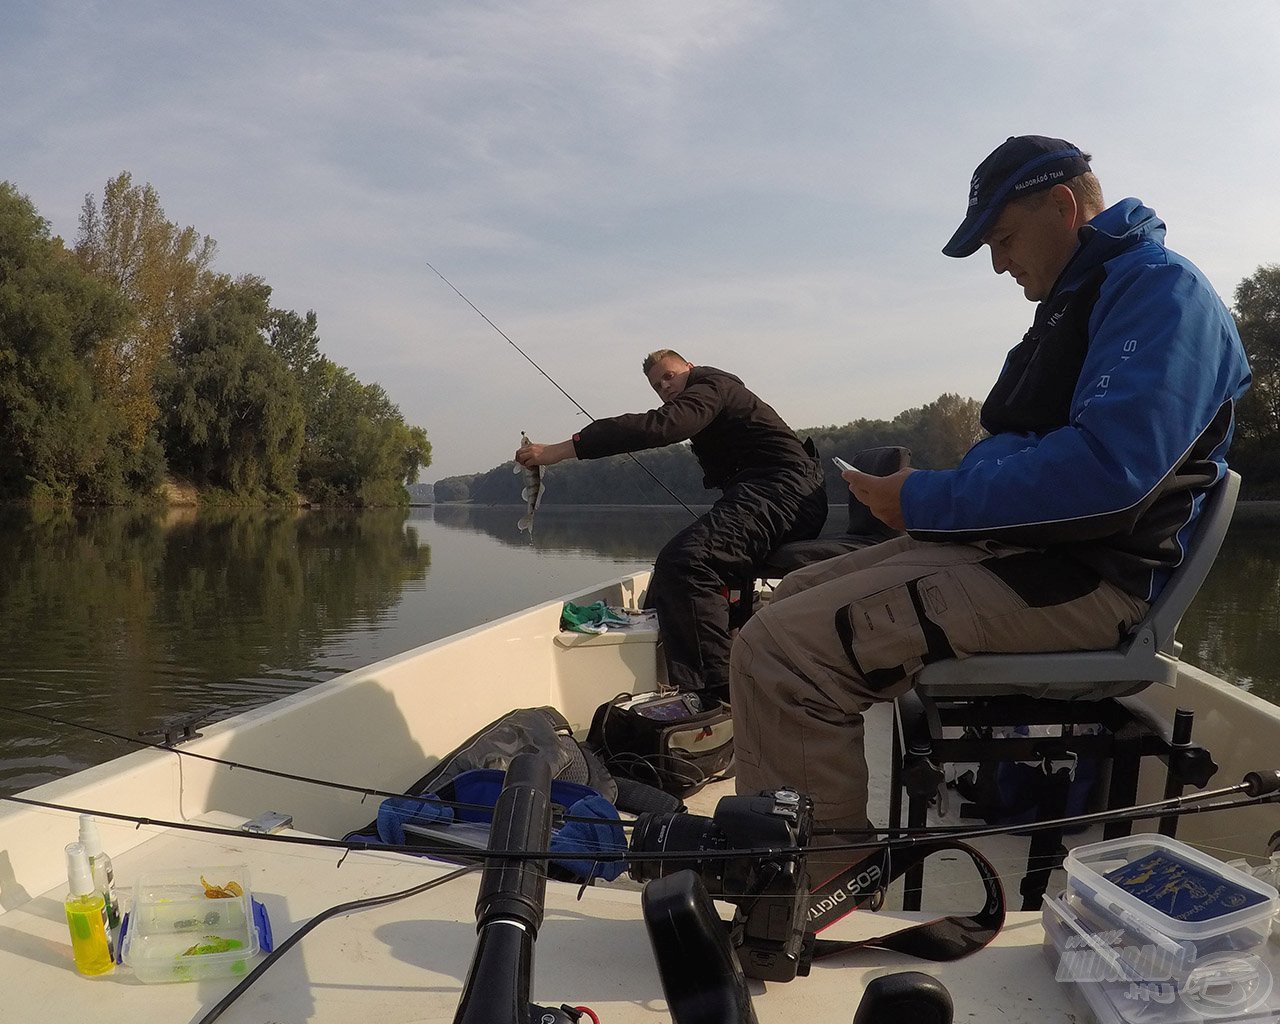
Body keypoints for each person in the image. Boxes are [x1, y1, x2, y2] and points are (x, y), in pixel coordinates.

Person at [729, 135, 1251, 860]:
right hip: (1021, 556)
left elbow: (1110, 480)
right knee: (783, 602)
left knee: (783, 653)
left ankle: (813, 883)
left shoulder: (1162, 293)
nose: (1000, 263)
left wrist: (925, 502)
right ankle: (774, 840)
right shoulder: (1083, 302)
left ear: (1063, 206)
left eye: (1003, 239)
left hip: (1086, 582)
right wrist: (924, 496)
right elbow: (1026, 452)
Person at [517, 349, 827, 704]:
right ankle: (732, 658)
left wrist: (561, 450)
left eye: (669, 376)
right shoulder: (709, 396)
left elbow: (660, 426)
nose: (664, 387)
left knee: (686, 562)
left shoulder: (712, 386)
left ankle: (718, 698)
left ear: (689, 368)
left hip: (785, 492)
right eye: (656, 385)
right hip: (772, 494)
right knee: (675, 569)